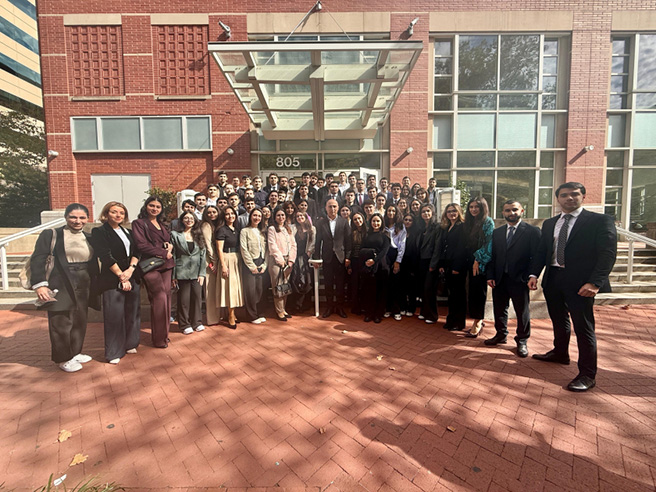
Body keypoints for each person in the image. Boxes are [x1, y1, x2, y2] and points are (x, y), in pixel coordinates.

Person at [528, 182, 617, 392]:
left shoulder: (599, 220)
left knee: (583, 327)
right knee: (559, 320)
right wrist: (534, 274)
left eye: (574, 194)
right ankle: (560, 353)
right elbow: (542, 251)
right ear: (558, 199)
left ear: (583, 196)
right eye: (564, 195)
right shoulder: (550, 223)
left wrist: (595, 282)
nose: (569, 198)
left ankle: (587, 374)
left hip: (581, 283)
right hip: (553, 279)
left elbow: (607, 254)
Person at [31, 203, 99, 372]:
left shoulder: (89, 237)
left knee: (80, 318)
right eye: (73, 217)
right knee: (60, 320)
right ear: (66, 217)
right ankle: (63, 358)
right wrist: (40, 285)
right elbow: (38, 259)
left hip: (84, 279)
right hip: (60, 280)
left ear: (87, 219)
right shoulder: (51, 234)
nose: (77, 221)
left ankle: (75, 352)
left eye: (82, 217)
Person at [485, 200, 541, 357]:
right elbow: (492, 256)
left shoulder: (532, 231)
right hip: (500, 278)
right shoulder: (497, 232)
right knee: (499, 309)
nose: (511, 213)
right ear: (503, 213)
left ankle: (522, 340)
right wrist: (490, 275)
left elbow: (536, 257)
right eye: (508, 210)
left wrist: (532, 276)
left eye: (515, 210)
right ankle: (500, 334)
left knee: (522, 311)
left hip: (520, 279)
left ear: (522, 211)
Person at [91, 201, 140, 365]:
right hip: (112, 278)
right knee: (114, 315)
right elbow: (105, 255)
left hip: (131, 274)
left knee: (132, 311)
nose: (118, 215)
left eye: (121, 213)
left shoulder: (128, 232)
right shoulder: (99, 232)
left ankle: (131, 343)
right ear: (106, 214)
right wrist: (121, 276)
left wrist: (131, 270)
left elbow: (137, 251)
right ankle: (113, 352)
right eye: (114, 212)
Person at [132, 196, 174, 348]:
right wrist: (163, 253)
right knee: (159, 298)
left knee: (167, 299)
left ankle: (164, 336)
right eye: (152, 205)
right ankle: (159, 339)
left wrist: (169, 247)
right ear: (146, 206)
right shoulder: (139, 223)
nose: (154, 209)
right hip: (150, 265)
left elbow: (166, 241)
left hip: (166, 265)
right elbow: (141, 245)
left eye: (158, 206)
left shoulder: (162, 224)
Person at [314, 198, 351, 318]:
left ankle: (340, 307)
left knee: (340, 284)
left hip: (340, 258)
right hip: (327, 257)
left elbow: (348, 241)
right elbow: (318, 241)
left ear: (338, 208)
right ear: (326, 208)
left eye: (334, 206)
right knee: (328, 283)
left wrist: (348, 257)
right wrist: (316, 258)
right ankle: (329, 307)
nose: (332, 209)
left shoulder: (344, 222)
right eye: (330, 206)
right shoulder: (321, 223)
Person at [463, 197, 495, 338]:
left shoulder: (487, 222)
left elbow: (489, 244)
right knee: (471, 291)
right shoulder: (469, 222)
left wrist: (478, 259)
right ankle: (475, 318)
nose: (474, 209)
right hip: (468, 259)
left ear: (482, 208)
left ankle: (478, 321)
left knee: (478, 291)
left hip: (480, 261)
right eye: (471, 207)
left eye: (477, 207)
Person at [433, 203, 467, 331]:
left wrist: (457, 267)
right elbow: (444, 247)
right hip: (447, 264)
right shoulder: (446, 227)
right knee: (451, 295)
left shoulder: (462, 227)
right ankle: (451, 319)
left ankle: (459, 322)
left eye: (454, 211)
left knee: (459, 295)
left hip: (457, 265)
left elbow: (462, 248)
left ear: (459, 212)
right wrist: (441, 264)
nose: (452, 213)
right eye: (449, 211)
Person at [171, 211, 206, 335]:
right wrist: (174, 275)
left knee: (197, 298)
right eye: (186, 218)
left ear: (195, 220)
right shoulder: (175, 235)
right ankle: (184, 324)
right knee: (183, 300)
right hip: (182, 272)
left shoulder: (198, 235)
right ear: (181, 220)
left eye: (191, 218)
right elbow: (173, 255)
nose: (189, 220)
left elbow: (203, 255)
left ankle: (197, 322)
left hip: (196, 272)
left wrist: (202, 274)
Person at [359, 214, 390, 323]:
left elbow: (384, 251)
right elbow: (361, 249)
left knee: (381, 291)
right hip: (369, 266)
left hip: (381, 266)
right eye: (373, 221)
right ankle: (369, 313)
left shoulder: (385, 236)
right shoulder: (366, 236)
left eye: (378, 221)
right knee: (369, 290)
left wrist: (375, 260)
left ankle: (378, 314)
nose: (375, 223)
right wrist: (368, 260)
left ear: (381, 222)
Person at [268, 206, 297, 321]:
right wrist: (281, 261)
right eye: (278, 215)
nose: (281, 217)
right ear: (275, 217)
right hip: (276, 260)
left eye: (282, 215)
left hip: (288, 260)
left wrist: (291, 260)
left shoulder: (287, 229)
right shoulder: (272, 229)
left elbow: (293, 245)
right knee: (277, 286)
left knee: (285, 286)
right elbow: (272, 245)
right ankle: (279, 311)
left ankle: (283, 309)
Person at [216, 206, 243, 329]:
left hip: (236, 258)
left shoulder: (236, 229)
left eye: (232, 213)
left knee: (236, 288)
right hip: (227, 259)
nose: (230, 216)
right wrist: (223, 266)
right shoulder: (222, 230)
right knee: (229, 289)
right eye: (227, 214)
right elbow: (219, 249)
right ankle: (230, 315)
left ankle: (234, 313)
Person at [240, 208, 268, 324]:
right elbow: (244, 249)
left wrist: (265, 264)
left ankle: (260, 312)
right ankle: (252, 315)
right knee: (250, 290)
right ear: (250, 216)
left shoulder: (262, 231)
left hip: (262, 262)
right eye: (255, 215)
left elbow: (267, 250)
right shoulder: (245, 231)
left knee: (260, 290)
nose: (257, 218)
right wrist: (251, 266)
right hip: (250, 262)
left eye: (259, 216)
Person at [417, 204, 442, 324]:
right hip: (421, 260)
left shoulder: (437, 227)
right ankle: (424, 311)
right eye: (423, 212)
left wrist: (433, 264)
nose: (425, 213)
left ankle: (432, 315)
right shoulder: (422, 227)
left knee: (429, 289)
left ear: (432, 212)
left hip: (431, 261)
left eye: (428, 211)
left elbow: (438, 247)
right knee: (423, 288)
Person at [383, 205, 406, 321]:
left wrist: (398, 261)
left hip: (395, 253)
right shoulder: (383, 225)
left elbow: (402, 245)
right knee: (386, 282)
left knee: (396, 283)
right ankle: (387, 308)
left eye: (393, 211)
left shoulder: (401, 226)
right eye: (389, 210)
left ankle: (396, 310)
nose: (391, 212)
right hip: (385, 255)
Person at [290, 210, 316, 312]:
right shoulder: (293, 228)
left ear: (305, 217)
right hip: (295, 257)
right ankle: (296, 305)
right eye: (297, 216)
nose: (300, 217)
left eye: (302, 216)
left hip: (306, 258)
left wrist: (308, 253)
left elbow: (313, 243)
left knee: (307, 280)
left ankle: (306, 304)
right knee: (295, 280)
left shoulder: (312, 228)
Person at [200, 205, 221, 326]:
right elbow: (208, 245)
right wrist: (214, 262)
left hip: (216, 260)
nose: (212, 214)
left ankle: (218, 316)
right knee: (210, 291)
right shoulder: (206, 225)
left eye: (214, 212)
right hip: (210, 262)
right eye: (209, 213)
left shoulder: (216, 225)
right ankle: (212, 318)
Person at [400, 214, 420, 316]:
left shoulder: (416, 234)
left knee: (412, 286)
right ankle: (403, 306)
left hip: (412, 263)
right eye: (406, 219)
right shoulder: (400, 233)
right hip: (401, 262)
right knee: (402, 286)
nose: (407, 222)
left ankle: (411, 308)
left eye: (410, 220)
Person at [348, 212, 367, 314]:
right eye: (355, 219)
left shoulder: (368, 232)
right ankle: (356, 307)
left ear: (363, 219)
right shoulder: (351, 233)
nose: (357, 221)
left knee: (364, 284)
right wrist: (349, 265)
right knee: (355, 285)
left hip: (365, 261)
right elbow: (349, 249)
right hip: (355, 260)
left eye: (359, 218)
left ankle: (365, 305)